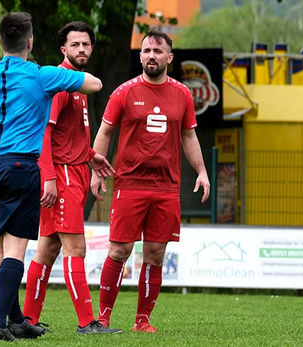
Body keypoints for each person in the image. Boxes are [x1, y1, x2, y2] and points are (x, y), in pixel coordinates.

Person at [0, 12, 106, 341]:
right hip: (20, 166)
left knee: (0, 246)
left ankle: (17, 317)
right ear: (30, 43)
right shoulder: (41, 75)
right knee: (17, 249)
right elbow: (95, 84)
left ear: (1, 42)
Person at [91, 29, 210, 333]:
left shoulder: (182, 93)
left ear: (169, 57)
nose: (151, 56)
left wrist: (202, 171)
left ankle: (142, 321)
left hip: (166, 188)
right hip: (130, 184)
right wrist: (96, 169)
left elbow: (188, 135)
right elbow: (104, 132)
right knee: (119, 251)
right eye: (146, 51)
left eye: (158, 51)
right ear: (140, 56)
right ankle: (103, 317)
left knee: (156, 253)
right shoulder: (124, 92)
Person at [22, 21, 121, 335]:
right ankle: (87, 323)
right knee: (75, 249)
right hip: (62, 175)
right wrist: (49, 178)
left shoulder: (77, 85)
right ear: (63, 49)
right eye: (75, 44)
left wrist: (92, 156)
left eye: (86, 44)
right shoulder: (61, 84)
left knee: (47, 249)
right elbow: (44, 135)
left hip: (74, 170)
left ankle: (28, 320)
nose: (82, 49)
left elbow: (68, 136)